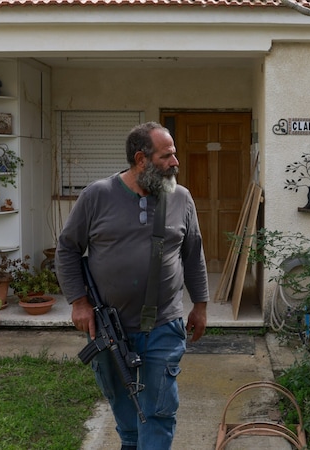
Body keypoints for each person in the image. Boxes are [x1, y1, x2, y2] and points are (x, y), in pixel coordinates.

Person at [55, 121, 209, 450]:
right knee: (125, 407)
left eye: (175, 155)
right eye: (167, 156)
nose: (175, 163)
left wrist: (201, 305)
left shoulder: (181, 198)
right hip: (108, 327)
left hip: (164, 325)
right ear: (141, 159)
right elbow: (67, 248)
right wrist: (79, 302)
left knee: (159, 411)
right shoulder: (97, 196)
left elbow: (193, 254)